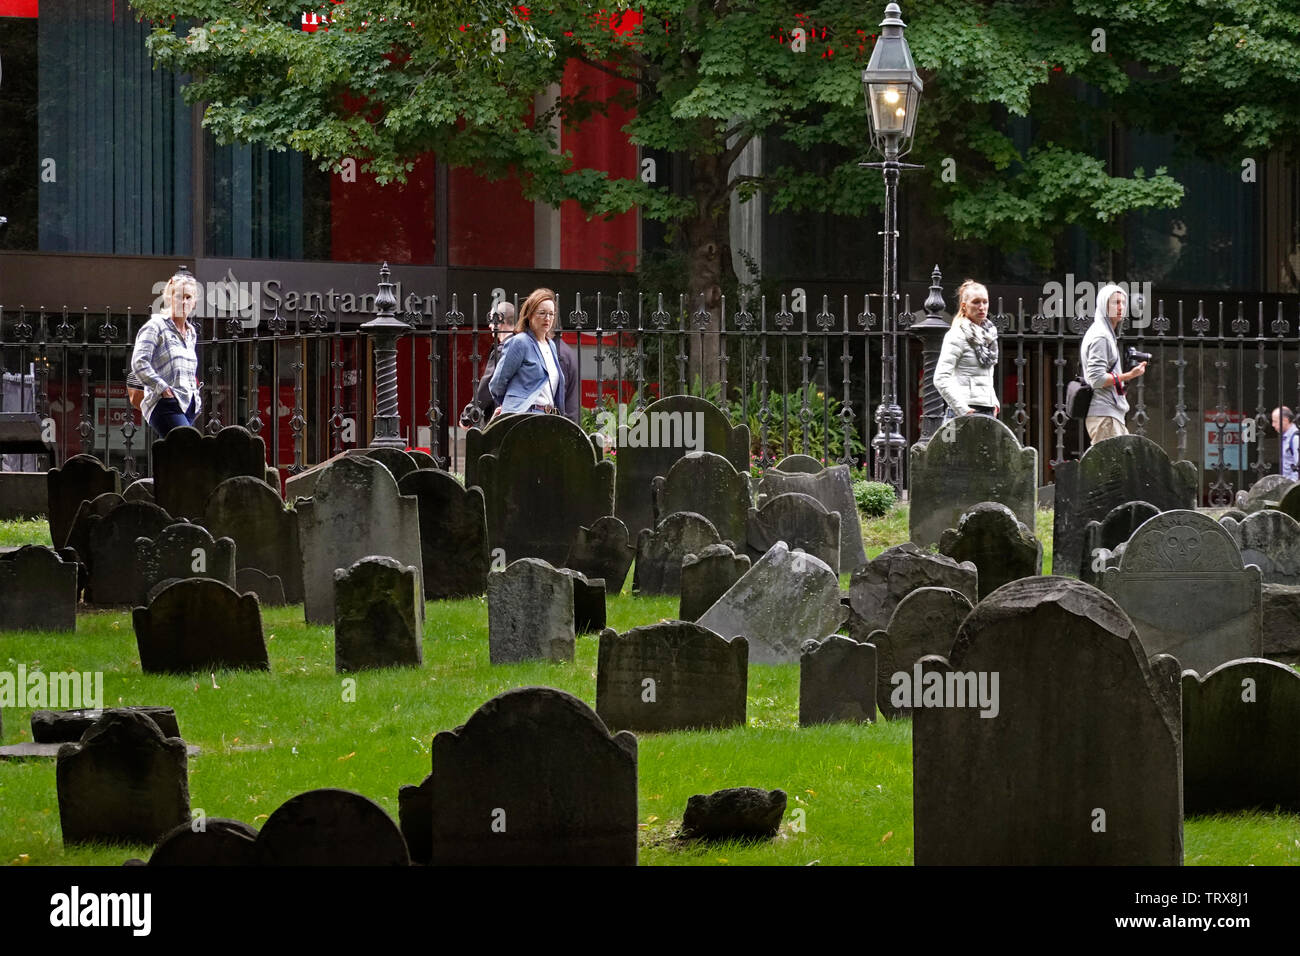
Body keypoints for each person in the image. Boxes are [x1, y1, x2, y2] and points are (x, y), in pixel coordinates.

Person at [131, 267, 202, 437]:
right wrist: (162, 388)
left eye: (188, 297)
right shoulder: (156, 326)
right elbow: (138, 362)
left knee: (178, 459)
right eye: (178, 296)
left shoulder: (191, 333)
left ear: (194, 303)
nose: (183, 302)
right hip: (164, 403)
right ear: (170, 298)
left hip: (188, 406)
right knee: (189, 447)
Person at [1081, 282, 1146, 443]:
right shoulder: (1101, 336)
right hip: (1105, 416)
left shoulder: (1104, 334)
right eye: (1116, 302)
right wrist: (1130, 375)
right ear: (1104, 305)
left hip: (1109, 415)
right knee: (1111, 467)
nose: (1121, 307)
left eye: (1123, 303)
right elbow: (1096, 380)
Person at [488, 288, 566, 416]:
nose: (547, 318)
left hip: (549, 417)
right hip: (524, 415)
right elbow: (497, 384)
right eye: (542, 313)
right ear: (530, 315)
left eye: (551, 314)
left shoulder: (551, 345)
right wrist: (511, 405)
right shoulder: (520, 342)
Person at [934, 279, 1001, 420]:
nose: (982, 307)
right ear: (964, 306)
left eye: (985, 302)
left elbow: (986, 376)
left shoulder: (989, 336)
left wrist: (994, 402)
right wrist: (962, 409)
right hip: (966, 411)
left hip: (987, 410)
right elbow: (940, 378)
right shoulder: (957, 335)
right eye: (976, 302)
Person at [460, 302, 516, 427]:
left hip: (501, 418)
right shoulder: (522, 346)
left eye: (491, 319)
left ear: (500, 319)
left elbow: (488, 386)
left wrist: (467, 416)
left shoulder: (503, 350)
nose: (490, 325)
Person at [1273, 406, 1299, 480]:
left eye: (1275, 421)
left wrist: (1293, 487)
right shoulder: (1285, 437)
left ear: (1285, 420)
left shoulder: (1295, 438)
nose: (1273, 425)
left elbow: (1298, 467)